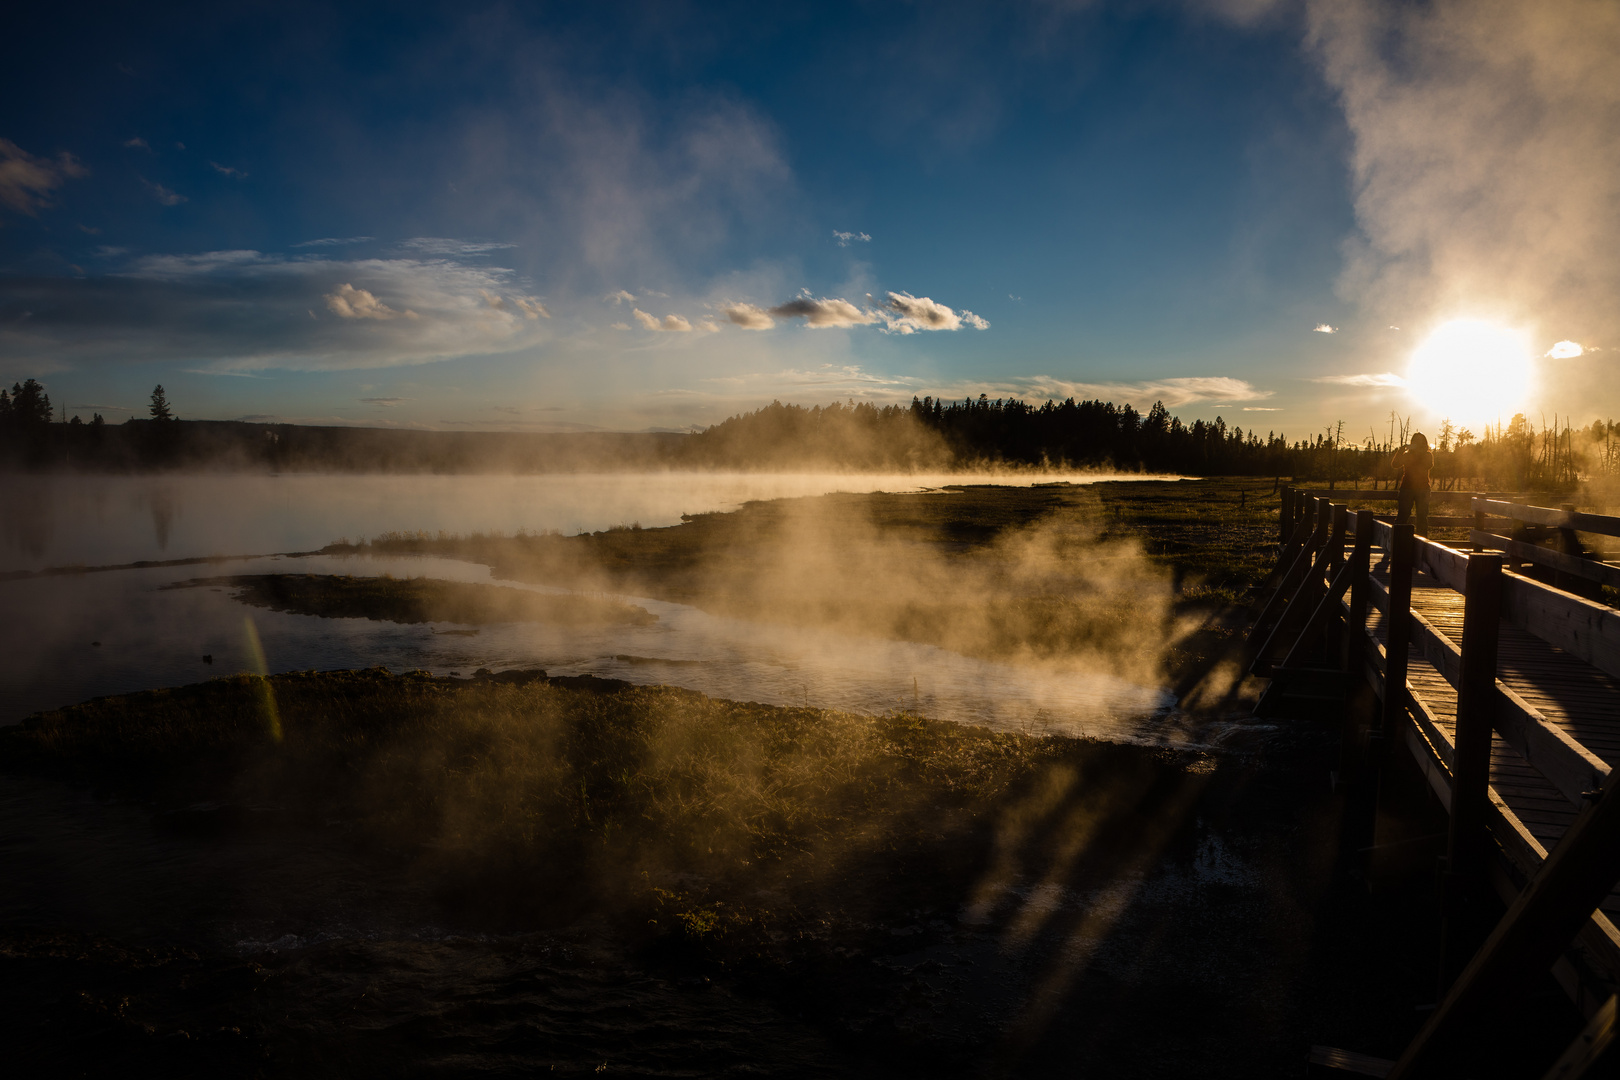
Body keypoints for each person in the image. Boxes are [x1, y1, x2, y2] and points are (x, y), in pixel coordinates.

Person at [1392, 432, 1433, 535]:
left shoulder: (1427, 455)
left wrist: (1415, 453)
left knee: (1422, 517)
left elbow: (1427, 465)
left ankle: (1422, 544)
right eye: (1415, 442)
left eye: (1420, 442)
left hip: (1421, 489)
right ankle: (1398, 541)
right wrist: (1401, 450)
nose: (1418, 444)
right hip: (1408, 489)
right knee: (1403, 516)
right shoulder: (1407, 455)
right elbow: (1395, 464)